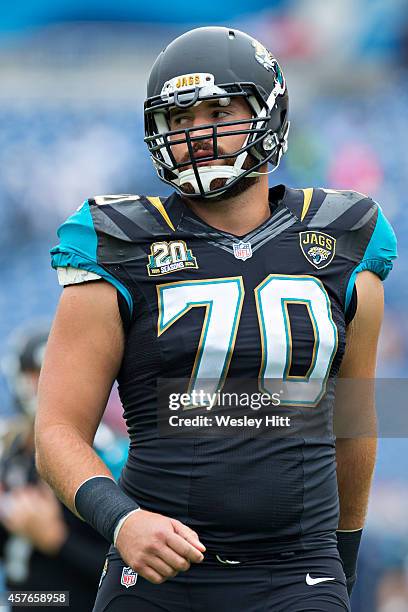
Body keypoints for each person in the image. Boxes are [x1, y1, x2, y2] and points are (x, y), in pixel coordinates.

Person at [35, 26, 397, 612]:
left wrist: (343, 554)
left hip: (297, 571)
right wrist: (122, 522)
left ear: (268, 113)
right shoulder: (117, 242)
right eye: (179, 121)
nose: (197, 135)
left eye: (219, 111)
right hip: (155, 575)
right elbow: (55, 433)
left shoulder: (347, 237)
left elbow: (356, 422)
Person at [0, 323, 121, 610]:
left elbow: (129, 572)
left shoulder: (109, 453)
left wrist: (57, 540)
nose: (42, 386)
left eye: (50, 374)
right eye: (35, 375)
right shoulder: (13, 451)